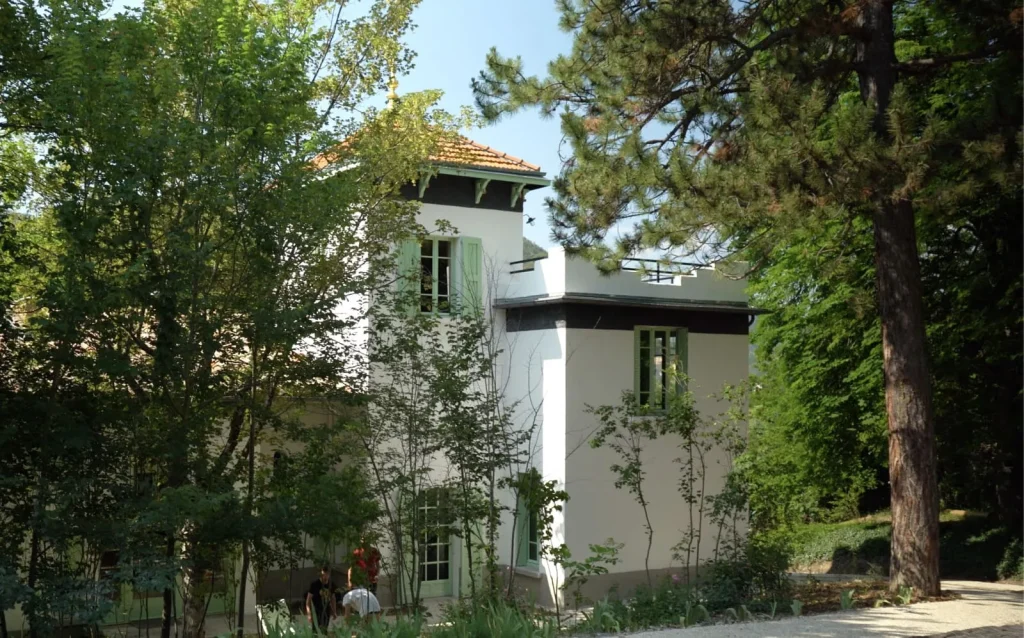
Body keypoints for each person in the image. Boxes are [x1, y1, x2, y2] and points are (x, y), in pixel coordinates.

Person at [305, 564, 337, 631]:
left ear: (329, 574)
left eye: (327, 575)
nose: (325, 577)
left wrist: (334, 611)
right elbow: (308, 601)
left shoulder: (331, 585)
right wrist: (309, 614)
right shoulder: (315, 584)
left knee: (324, 630)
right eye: (323, 575)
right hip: (316, 611)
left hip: (326, 611)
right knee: (316, 631)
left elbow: (333, 599)